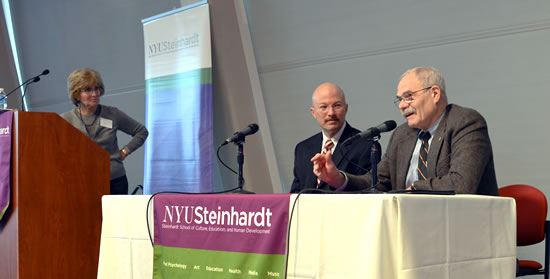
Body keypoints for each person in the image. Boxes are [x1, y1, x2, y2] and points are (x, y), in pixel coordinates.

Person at [311, 67, 498, 195]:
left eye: (408, 97)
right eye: (399, 99)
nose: (401, 106)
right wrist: (338, 178)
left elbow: (461, 183)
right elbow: (378, 183)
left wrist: (411, 191)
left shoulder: (465, 122)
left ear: (434, 93)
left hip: (462, 230)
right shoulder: (402, 135)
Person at [61, 68, 148, 195]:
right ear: (76, 94)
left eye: (97, 88)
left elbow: (141, 131)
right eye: (88, 90)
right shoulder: (65, 120)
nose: (95, 94)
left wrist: (124, 151)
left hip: (115, 181)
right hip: (83, 183)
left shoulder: (112, 114)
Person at [290, 82, 371, 193]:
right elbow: (295, 195)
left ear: (346, 108)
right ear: (313, 112)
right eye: (323, 107)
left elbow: (366, 191)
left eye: (337, 105)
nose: (331, 113)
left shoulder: (364, 144)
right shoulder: (303, 148)